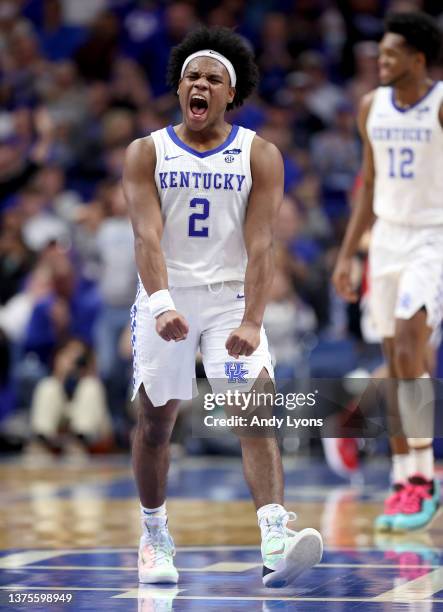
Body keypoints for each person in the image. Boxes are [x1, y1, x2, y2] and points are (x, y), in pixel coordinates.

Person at [123, 26, 322, 588]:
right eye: (192, 76)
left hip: (232, 297)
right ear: (179, 87)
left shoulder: (259, 153)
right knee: (157, 422)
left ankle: (274, 537)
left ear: (229, 94)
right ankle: (155, 533)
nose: (200, 84)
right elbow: (145, 238)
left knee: (253, 410)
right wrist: (161, 304)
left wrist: (252, 319)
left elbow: (263, 245)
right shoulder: (147, 152)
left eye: (212, 77)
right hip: (167, 293)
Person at [333, 11, 442, 532]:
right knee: (395, 363)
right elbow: (368, 187)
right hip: (388, 241)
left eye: (391, 54)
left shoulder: (440, 105)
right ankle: (405, 478)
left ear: (418, 60)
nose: (381, 61)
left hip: (433, 238)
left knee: (406, 346)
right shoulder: (370, 107)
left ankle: (423, 479)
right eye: (380, 54)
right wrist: (348, 254)